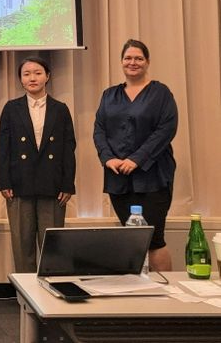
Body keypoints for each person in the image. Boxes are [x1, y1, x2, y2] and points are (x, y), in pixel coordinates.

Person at [93, 39, 178, 272]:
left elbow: (166, 129)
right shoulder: (109, 95)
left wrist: (136, 159)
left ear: (147, 62)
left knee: (154, 239)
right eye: (128, 58)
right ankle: (138, 288)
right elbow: (99, 130)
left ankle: (164, 292)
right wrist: (108, 158)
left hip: (153, 177)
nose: (133, 62)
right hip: (118, 177)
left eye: (139, 58)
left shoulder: (161, 93)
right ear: (121, 62)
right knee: (131, 238)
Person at [0, 56, 76, 273]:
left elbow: (68, 148)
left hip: (53, 186)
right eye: (27, 74)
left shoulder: (60, 109)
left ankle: (52, 290)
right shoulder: (11, 108)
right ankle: (24, 292)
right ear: (21, 79)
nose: (32, 78)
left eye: (38, 73)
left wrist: (68, 184)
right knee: (22, 247)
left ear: (47, 76)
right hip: (19, 185)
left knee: (53, 247)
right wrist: (4, 182)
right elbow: (3, 148)